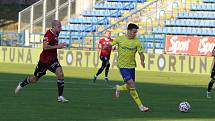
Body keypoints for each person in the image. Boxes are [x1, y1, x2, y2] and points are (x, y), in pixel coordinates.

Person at [15, 20, 69, 103]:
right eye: (59, 27)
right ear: (54, 27)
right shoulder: (48, 35)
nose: (61, 28)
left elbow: (53, 44)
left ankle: (60, 96)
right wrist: (58, 46)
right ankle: (22, 83)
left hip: (53, 60)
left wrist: (59, 45)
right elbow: (45, 47)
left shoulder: (57, 33)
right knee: (34, 79)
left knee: (60, 74)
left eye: (60, 26)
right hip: (44, 61)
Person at [108, 23, 149, 112]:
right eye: (134, 32)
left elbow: (141, 53)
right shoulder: (120, 39)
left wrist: (142, 61)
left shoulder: (137, 41)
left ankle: (119, 88)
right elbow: (111, 44)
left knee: (130, 86)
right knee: (131, 84)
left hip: (132, 66)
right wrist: (107, 46)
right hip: (122, 66)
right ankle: (141, 106)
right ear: (129, 31)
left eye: (136, 32)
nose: (135, 34)